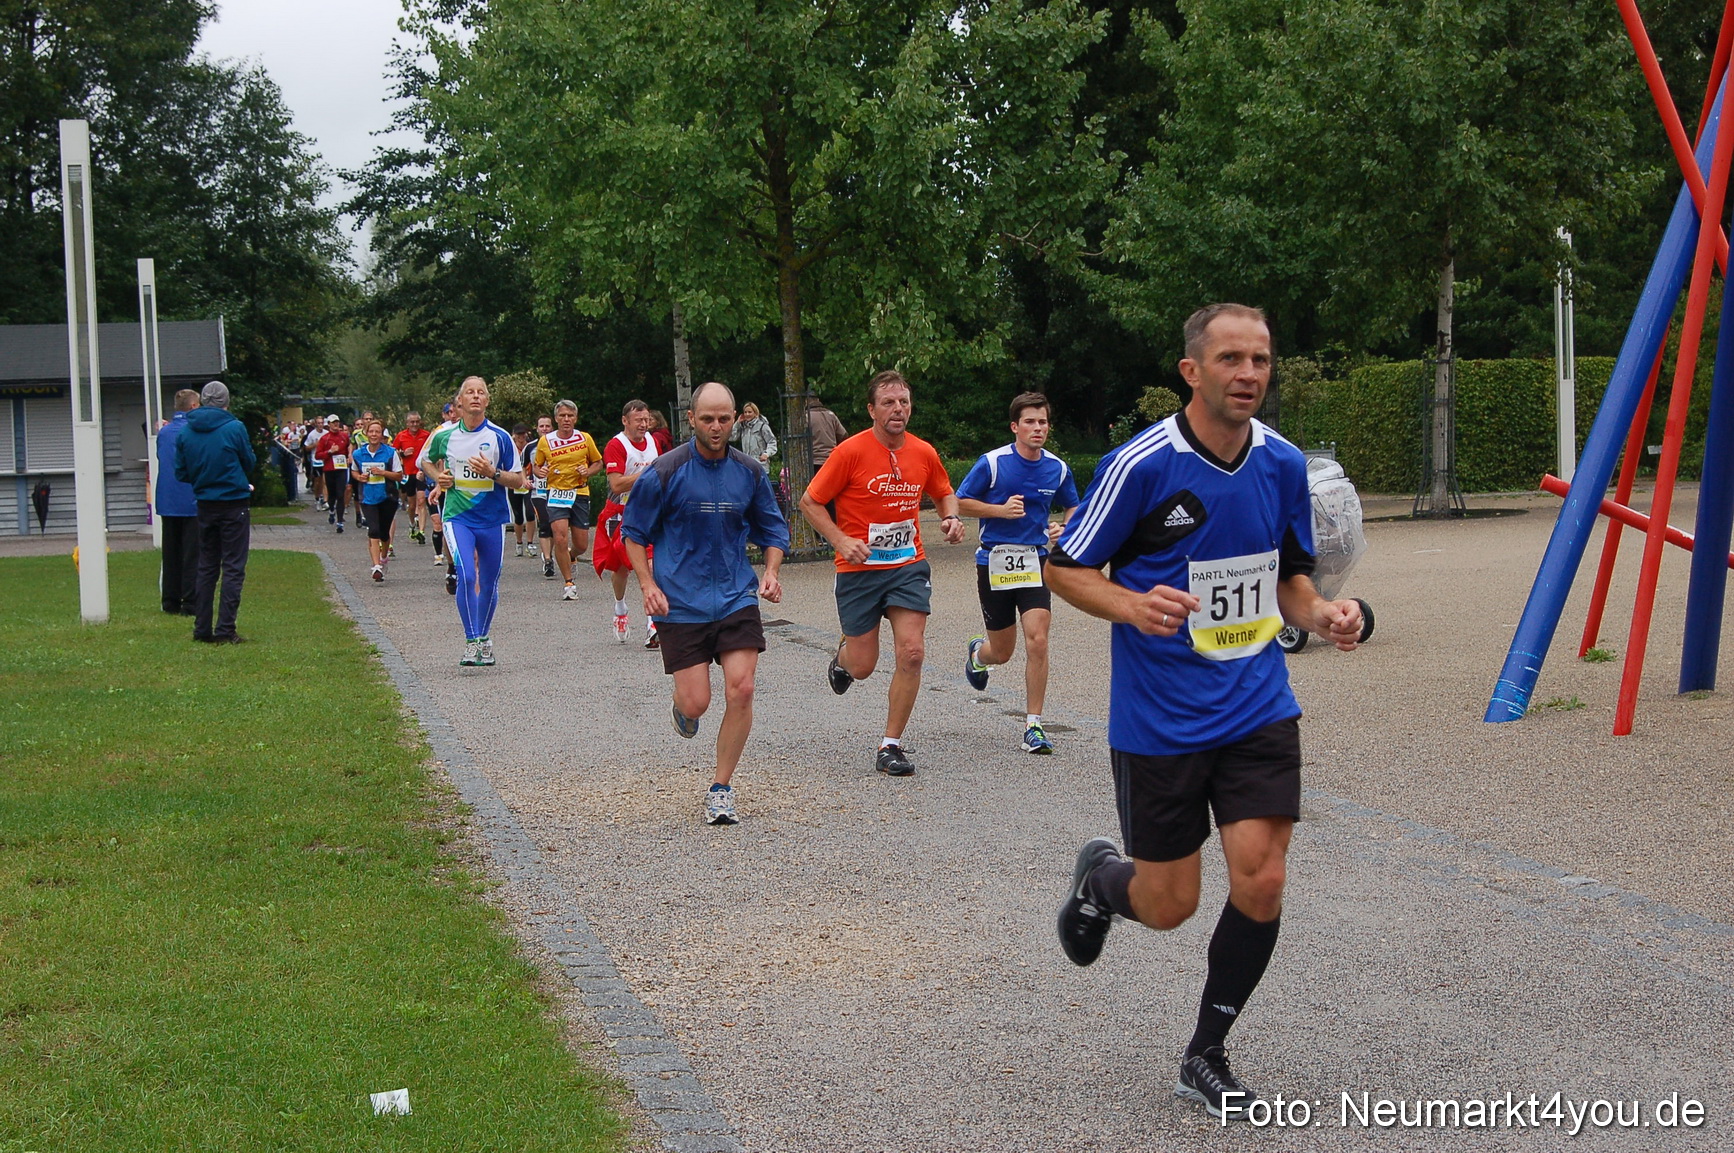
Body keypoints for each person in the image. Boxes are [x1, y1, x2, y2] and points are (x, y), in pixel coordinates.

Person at [1046, 304, 1363, 1120]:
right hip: (1162, 719)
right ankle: (1099, 881)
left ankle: (1206, 1051)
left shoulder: (1284, 463)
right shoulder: (1142, 464)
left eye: (1260, 358)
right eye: (1230, 358)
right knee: (1169, 903)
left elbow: (1289, 575)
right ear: (1193, 370)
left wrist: (1320, 612)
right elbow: (1065, 567)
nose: (1249, 373)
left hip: (1257, 702)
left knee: (1262, 875)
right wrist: (1128, 603)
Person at [624, 382, 789, 825]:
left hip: (735, 595)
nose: (716, 427)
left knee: (743, 687)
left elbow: (773, 531)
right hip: (680, 601)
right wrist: (646, 584)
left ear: (736, 419)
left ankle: (721, 788)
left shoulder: (750, 472)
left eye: (724, 419)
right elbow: (634, 533)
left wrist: (770, 572)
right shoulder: (664, 471)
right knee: (697, 702)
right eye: (707, 419)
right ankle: (684, 708)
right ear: (691, 420)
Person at [798, 369, 965, 776]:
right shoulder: (850, 452)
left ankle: (890, 745)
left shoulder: (923, 452)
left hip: (907, 566)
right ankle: (842, 660)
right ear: (872, 409)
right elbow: (810, 502)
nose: (898, 409)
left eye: (904, 401)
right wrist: (840, 540)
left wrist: (952, 518)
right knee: (863, 665)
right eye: (889, 402)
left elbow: (944, 491)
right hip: (858, 570)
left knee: (912, 652)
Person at [956, 391, 1081, 754]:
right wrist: (998, 511)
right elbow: (958, 501)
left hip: (1035, 562)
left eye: (1042, 422)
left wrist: (1064, 530)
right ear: (1015, 426)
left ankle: (1034, 725)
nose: (1037, 428)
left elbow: (1072, 505)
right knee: (1003, 650)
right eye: (1029, 421)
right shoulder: (993, 463)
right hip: (994, 562)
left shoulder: (1056, 468)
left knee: (1038, 639)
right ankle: (979, 654)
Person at [422, 376, 524, 666]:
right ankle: (471, 640)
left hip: (491, 518)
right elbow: (425, 461)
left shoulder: (500, 437)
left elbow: (518, 480)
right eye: (470, 392)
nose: (476, 397)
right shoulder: (444, 435)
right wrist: (437, 477)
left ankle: (484, 638)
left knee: (490, 581)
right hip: (457, 516)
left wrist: (493, 473)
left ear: (487, 401)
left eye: (481, 392)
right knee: (466, 574)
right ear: (460, 402)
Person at [174, 381, 256, 643]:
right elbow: (249, 461)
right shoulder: (234, 428)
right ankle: (225, 629)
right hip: (233, 502)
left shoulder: (186, 432)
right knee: (233, 566)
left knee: (206, 566)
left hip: (205, 504)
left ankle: (201, 628)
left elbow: (181, 472)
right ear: (225, 402)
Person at [594, 399, 661, 646]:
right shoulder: (616, 445)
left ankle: (653, 625)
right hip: (619, 512)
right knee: (620, 568)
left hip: (647, 512)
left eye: (647, 420)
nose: (644, 425)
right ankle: (620, 609)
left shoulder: (653, 441)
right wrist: (648, 474)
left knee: (652, 565)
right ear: (625, 421)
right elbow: (616, 484)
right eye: (638, 421)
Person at [532, 400, 604, 600]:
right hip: (556, 493)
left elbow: (598, 463)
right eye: (562, 416)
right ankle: (569, 583)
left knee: (581, 544)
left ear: (575, 418)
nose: (566, 419)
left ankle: (571, 557)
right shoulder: (545, 441)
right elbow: (537, 467)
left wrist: (587, 471)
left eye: (570, 416)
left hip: (579, 492)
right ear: (556, 418)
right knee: (560, 537)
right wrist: (541, 471)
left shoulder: (584, 438)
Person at [154, 388, 202, 615]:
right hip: (190, 499)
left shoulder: (164, 432)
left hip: (167, 499)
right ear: (193, 406)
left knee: (171, 553)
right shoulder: (195, 431)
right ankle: (190, 601)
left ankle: (170, 600)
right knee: (192, 553)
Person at [352, 419, 404, 581]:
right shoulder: (358, 454)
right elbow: (354, 471)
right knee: (373, 530)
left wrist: (383, 473)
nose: (374, 435)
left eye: (377, 432)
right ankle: (376, 566)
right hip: (368, 498)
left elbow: (399, 475)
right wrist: (359, 477)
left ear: (382, 435)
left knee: (384, 532)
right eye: (371, 431)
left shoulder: (390, 453)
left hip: (388, 497)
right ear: (366, 433)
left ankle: (383, 557)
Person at [393, 411, 432, 544]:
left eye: (417, 422)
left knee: (421, 501)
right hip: (408, 472)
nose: (415, 424)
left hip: (422, 472)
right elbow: (393, 453)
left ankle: (421, 532)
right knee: (412, 504)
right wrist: (403, 453)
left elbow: (431, 451)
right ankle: (411, 523)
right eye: (412, 422)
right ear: (407, 423)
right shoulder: (401, 436)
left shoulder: (426, 435)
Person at [529, 413, 555, 575]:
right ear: (537, 429)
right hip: (538, 492)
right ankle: (548, 560)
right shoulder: (530, 447)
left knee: (554, 526)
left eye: (547, 426)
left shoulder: (559, 444)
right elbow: (520, 466)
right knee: (544, 523)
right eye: (542, 426)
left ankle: (549, 554)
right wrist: (525, 480)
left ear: (552, 428)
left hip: (557, 491)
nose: (545, 429)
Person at [317, 416, 351, 533]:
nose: (336, 424)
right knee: (332, 495)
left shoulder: (344, 436)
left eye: (337, 422)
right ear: (329, 425)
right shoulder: (325, 439)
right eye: (333, 423)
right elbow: (318, 455)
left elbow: (348, 449)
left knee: (340, 494)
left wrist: (348, 457)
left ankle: (340, 522)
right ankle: (331, 510)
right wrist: (329, 452)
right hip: (329, 469)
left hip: (341, 469)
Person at [804, 391, 847, 469]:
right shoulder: (831, 414)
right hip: (831, 458)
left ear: (806, 401)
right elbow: (843, 435)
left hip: (813, 461)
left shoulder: (806, 417)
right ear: (818, 400)